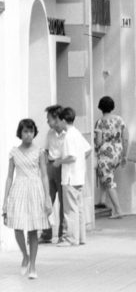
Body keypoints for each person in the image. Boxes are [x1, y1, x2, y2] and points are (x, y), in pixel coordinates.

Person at [2, 119, 52, 279]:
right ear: (20, 133)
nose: (28, 134)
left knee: (32, 230)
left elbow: (44, 175)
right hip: (19, 189)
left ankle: (33, 265)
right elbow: (9, 177)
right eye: (25, 131)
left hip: (35, 190)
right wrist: (5, 200)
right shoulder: (14, 152)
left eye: (31, 131)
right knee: (17, 227)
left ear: (34, 133)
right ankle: (25, 255)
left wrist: (47, 197)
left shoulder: (40, 152)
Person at [53, 107, 92, 247]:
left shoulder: (69, 135)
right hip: (79, 176)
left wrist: (59, 162)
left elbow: (71, 157)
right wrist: (81, 163)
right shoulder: (77, 133)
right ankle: (81, 237)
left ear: (63, 120)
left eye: (59, 120)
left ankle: (71, 238)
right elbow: (88, 150)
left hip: (70, 177)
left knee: (70, 210)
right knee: (79, 208)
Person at [94, 96, 129, 219]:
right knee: (107, 176)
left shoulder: (100, 122)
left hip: (105, 153)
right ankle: (102, 200)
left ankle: (118, 210)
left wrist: (97, 147)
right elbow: (125, 138)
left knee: (108, 181)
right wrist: (124, 155)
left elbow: (98, 141)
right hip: (118, 152)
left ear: (100, 107)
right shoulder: (119, 120)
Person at [40, 105, 66, 244]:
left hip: (62, 167)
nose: (47, 122)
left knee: (63, 202)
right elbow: (45, 150)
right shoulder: (49, 134)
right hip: (50, 166)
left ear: (56, 119)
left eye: (49, 119)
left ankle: (62, 233)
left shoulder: (68, 133)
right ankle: (46, 232)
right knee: (46, 199)